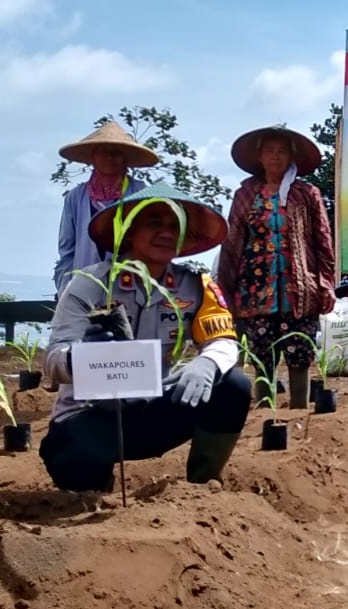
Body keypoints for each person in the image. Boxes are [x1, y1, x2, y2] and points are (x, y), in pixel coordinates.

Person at [41, 182, 249, 491]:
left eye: (173, 226)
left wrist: (206, 362)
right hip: (91, 415)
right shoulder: (90, 284)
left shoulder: (195, 285)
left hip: (152, 409)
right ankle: (91, 491)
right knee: (76, 454)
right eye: (154, 223)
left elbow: (224, 340)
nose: (165, 232)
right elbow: (52, 361)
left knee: (233, 386)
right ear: (128, 230)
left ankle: (204, 485)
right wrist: (80, 356)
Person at [217, 126, 335, 409]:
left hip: (300, 290)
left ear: (291, 157)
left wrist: (326, 283)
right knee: (262, 355)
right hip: (256, 289)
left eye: (282, 151)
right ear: (259, 156)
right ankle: (265, 413)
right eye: (269, 150)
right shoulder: (246, 195)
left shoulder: (307, 193)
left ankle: (297, 409)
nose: (275, 156)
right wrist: (225, 291)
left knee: (300, 353)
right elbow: (232, 242)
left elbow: (323, 241)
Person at [54, 121, 156, 294]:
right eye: (104, 152)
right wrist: (67, 288)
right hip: (84, 289)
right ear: (93, 157)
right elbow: (67, 250)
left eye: (116, 153)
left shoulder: (142, 194)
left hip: (132, 289)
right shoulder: (76, 197)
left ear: (126, 158)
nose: (110, 157)